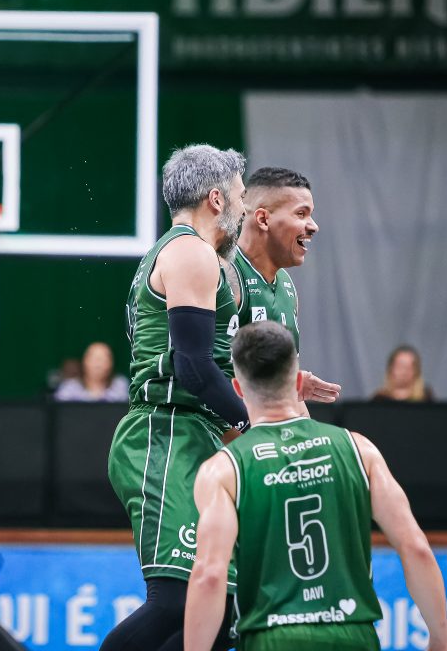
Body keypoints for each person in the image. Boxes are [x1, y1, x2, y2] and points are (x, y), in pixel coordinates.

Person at [184, 321, 447, 651]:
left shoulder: (223, 469)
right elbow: (415, 547)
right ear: (299, 382)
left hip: (270, 638)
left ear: (238, 389)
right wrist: (440, 638)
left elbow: (210, 575)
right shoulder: (360, 450)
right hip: (353, 634)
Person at [104, 143, 252, 651]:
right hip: (165, 431)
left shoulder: (188, 253)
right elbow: (192, 368)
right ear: (216, 199)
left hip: (189, 432)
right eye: (240, 196)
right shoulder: (190, 252)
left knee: (221, 610)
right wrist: (255, 423)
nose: (243, 207)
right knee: (176, 601)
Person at [233, 166, 340, 405]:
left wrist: (305, 431)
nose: (313, 226)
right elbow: (203, 375)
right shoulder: (223, 274)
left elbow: (287, 398)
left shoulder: (287, 286)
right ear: (263, 219)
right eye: (301, 214)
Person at [53, 341, 129, 402]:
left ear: (111, 363)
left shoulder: (120, 386)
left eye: (103, 359)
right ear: (84, 361)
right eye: (94, 358)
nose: (98, 364)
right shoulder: (69, 388)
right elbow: (59, 412)